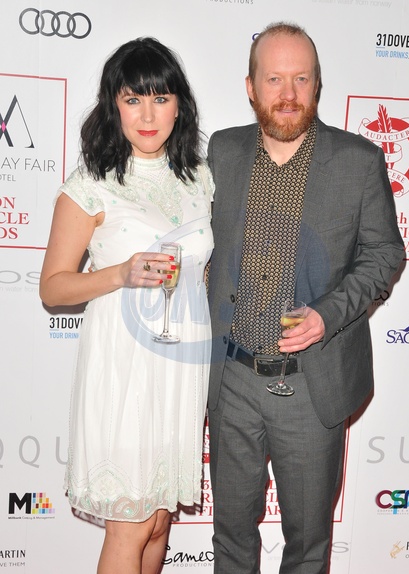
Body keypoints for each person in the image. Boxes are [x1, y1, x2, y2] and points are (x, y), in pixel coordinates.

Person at [206, 22, 404, 573]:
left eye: (301, 79)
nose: (289, 94)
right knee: (230, 541)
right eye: (274, 79)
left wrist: (328, 314)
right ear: (251, 86)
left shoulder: (358, 161)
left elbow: (385, 254)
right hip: (232, 381)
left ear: (318, 84)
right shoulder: (222, 152)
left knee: (309, 547)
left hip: (312, 385)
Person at [40, 37, 214, 574]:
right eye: (133, 99)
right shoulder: (91, 184)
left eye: (160, 98)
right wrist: (119, 273)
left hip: (181, 367)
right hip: (123, 369)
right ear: (113, 106)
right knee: (132, 523)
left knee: (159, 522)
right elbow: (53, 288)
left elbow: (203, 271)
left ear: (179, 105)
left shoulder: (200, 178)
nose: (148, 114)